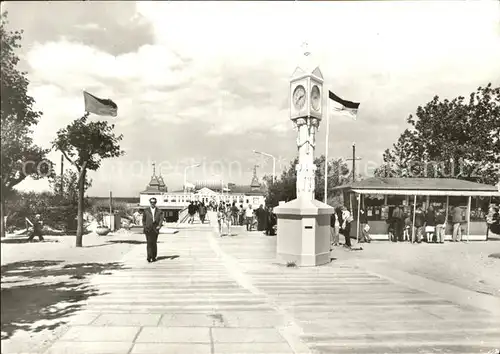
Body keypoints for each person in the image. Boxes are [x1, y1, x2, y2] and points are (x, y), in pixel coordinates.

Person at [142, 197, 162, 262]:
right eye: (151, 202)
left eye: (154, 202)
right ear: (150, 202)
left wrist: (159, 226)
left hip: (155, 228)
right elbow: (143, 220)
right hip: (148, 228)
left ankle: (153, 256)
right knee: (149, 243)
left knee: (154, 243)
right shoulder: (146, 210)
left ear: (155, 203)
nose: (153, 203)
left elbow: (161, 219)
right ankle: (149, 256)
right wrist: (145, 227)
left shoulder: (159, 211)